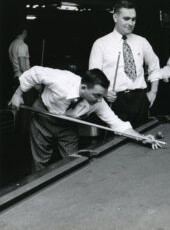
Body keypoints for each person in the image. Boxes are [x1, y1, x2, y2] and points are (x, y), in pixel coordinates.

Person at [9, 66, 161, 171]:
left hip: (68, 125)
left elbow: (117, 124)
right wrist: (18, 94)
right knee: (40, 162)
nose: (100, 99)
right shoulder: (62, 81)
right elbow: (34, 72)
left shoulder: (97, 102)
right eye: (96, 95)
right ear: (83, 88)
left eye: (102, 95)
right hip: (43, 116)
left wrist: (141, 138)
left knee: (73, 162)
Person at [89, 0, 161, 128]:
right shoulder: (100, 44)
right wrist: (104, 92)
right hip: (116, 100)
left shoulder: (142, 41)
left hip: (140, 99)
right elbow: (93, 77)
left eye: (133, 19)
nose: (130, 23)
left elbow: (155, 65)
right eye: (126, 19)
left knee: (143, 137)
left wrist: (153, 92)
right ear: (115, 17)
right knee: (117, 141)